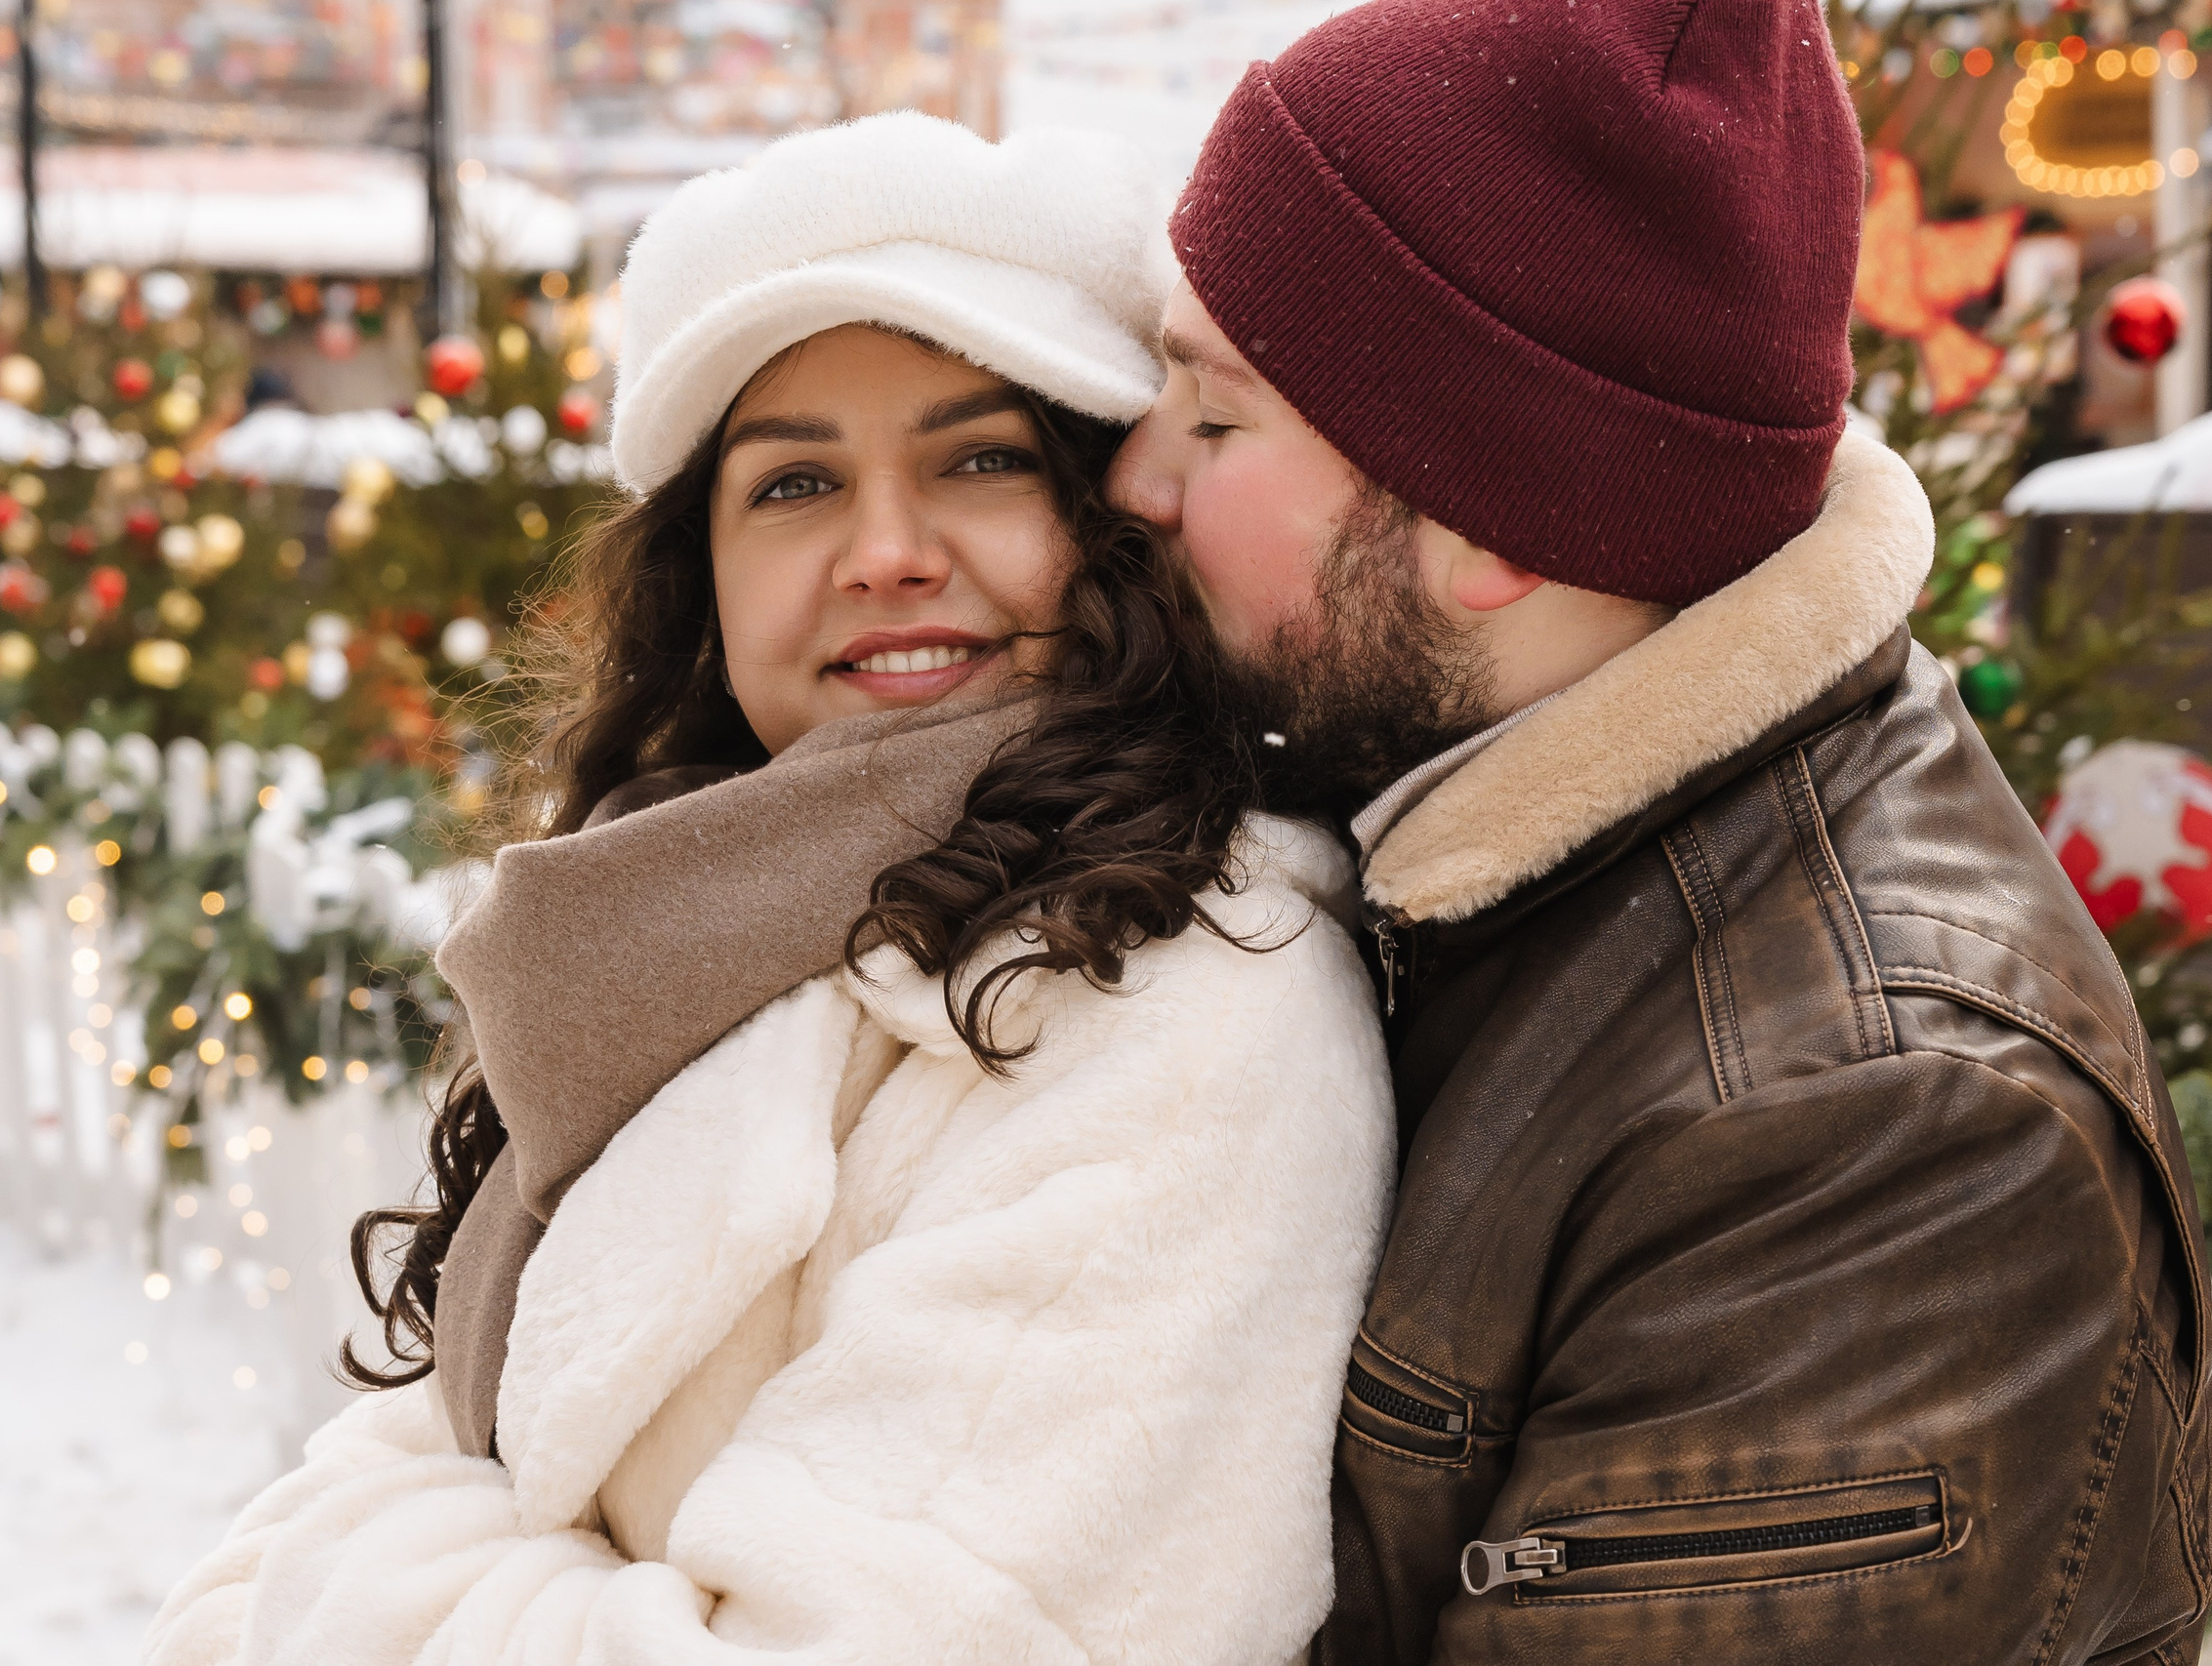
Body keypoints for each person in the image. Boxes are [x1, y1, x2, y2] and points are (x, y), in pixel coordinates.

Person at [142, 112, 1394, 1666]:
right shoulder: (710, 937)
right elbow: (358, 1507)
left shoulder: (1185, 999)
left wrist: (342, 1585)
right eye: (795, 484)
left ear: (1112, 516)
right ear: (707, 582)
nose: (885, 553)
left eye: (983, 461)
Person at [1103, 3, 2212, 1661]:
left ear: (1489, 521)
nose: (1136, 478)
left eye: (1216, 417)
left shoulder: (1876, 1127)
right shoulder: (1394, 797)